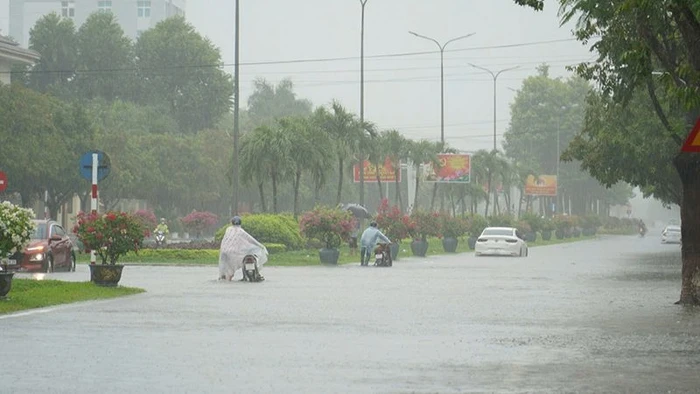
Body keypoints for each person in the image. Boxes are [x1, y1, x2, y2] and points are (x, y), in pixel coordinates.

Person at [218, 216, 268, 281]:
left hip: (224, 252)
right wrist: (260, 245)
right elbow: (250, 239)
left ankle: (225, 278)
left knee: (227, 267)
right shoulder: (241, 231)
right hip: (234, 252)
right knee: (236, 263)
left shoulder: (228, 229)